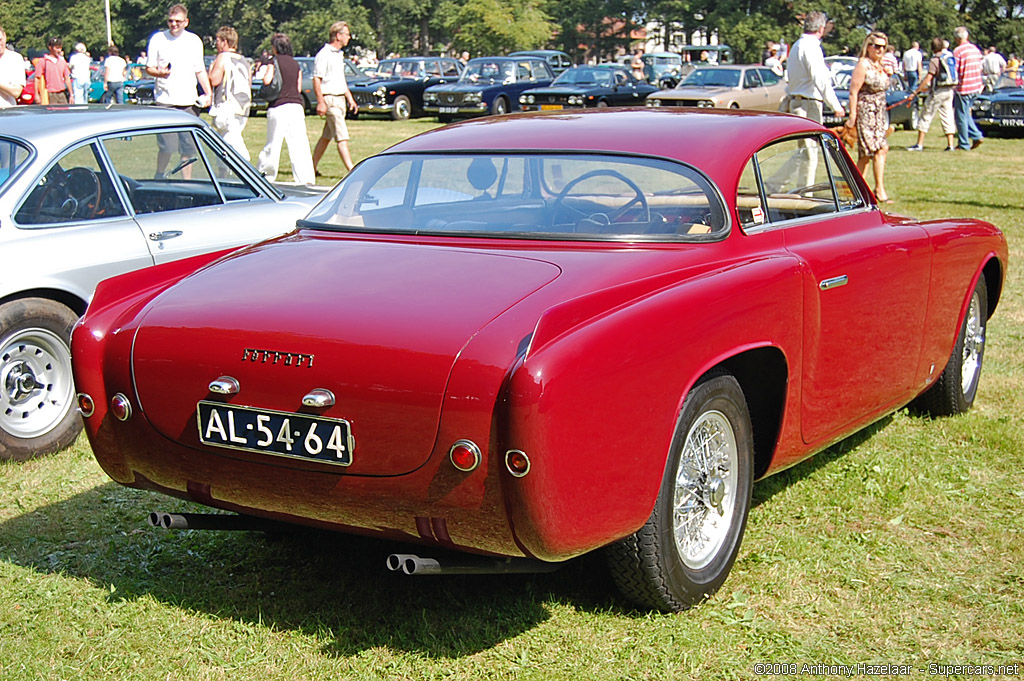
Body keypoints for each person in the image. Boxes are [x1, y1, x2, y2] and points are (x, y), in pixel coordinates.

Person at [146, 3, 213, 175]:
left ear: (186, 22)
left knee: (188, 147)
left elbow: (200, 70)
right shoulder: (158, 39)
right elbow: (149, 68)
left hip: (188, 102)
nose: (174, 24)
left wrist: (209, 92)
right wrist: (160, 74)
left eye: (178, 21)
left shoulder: (194, 41)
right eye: (170, 21)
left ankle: (186, 182)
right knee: (167, 146)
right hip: (165, 102)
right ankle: (159, 175)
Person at [256, 33, 315, 184]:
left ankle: (266, 176)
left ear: (275, 47)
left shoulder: (273, 62)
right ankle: (305, 179)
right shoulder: (296, 64)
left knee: (273, 145)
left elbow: (268, 79)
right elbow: (298, 87)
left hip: (278, 106)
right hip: (296, 106)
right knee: (299, 145)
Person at [845, 31, 892, 203]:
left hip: (879, 113)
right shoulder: (863, 64)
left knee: (882, 148)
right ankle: (856, 190)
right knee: (866, 153)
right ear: (869, 47)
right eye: (876, 46)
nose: (880, 50)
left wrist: (889, 74)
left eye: (883, 47)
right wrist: (852, 116)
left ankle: (879, 189)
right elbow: (853, 92)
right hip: (866, 112)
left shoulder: (881, 65)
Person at [312, 21, 359, 176]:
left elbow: (340, 80)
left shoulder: (339, 55)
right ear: (338, 36)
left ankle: (312, 167)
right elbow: (316, 79)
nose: (349, 37)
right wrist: (320, 102)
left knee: (326, 136)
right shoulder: (324, 54)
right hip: (330, 99)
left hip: (340, 99)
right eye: (346, 34)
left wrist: (350, 98)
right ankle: (351, 169)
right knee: (342, 135)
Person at [783, 11, 845, 123]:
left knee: (805, 140)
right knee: (810, 140)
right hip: (808, 104)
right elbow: (820, 79)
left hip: (796, 101)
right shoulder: (811, 47)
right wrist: (836, 106)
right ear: (821, 28)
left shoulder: (797, 45)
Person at [906, 38, 958, 152]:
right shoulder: (948, 57)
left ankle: (919, 144)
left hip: (938, 92)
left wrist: (916, 92)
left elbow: (928, 78)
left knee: (926, 114)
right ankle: (951, 145)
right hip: (949, 90)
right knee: (948, 116)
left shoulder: (935, 60)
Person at [208, 26, 251, 160]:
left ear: (225, 42)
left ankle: (248, 170)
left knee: (231, 144)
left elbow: (214, 80)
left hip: (227, 106)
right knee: (226, 144)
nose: (217, 45)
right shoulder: (244, 61)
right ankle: (224, 174)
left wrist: (211, 68)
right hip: (243, 106)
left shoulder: (223, 57)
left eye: (218, 41)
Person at [952, 26, 984, 151]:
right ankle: (976, 136)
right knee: (965, 114)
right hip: (976, 86)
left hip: (964, 87)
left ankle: (964, 143)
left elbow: (955, 70)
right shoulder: (975, 49)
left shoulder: (958, 51)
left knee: (960, 116)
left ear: (956, 38)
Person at [35, 37, 72, 104]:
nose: (59, 50)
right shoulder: (43, 61)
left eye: (60, 48)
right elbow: (37, 78)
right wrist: (36, 94)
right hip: (50, 93)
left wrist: (71, 94)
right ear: (50, 48)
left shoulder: (62, 61)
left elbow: (67, 78)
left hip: (61, 93)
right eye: (56, 48)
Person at [0, 24, 26, 108]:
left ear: (5, 36)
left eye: (0, 40)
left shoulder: (15, 58)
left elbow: (16, 92)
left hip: (6, 113)